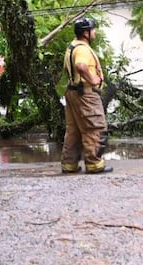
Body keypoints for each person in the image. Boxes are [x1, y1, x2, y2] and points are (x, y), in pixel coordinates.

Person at [60, 17, 113, 174]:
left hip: (72, 91)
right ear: (85, 33)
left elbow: (67, 69)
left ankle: (69, 164)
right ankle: (94, 164)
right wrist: (94, 79)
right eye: (92, 29)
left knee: (73, 130)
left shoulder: (72, 47)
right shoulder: (82, 49)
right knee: (94, 127)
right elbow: (81, 66)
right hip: (85, 93)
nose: (95, 32)